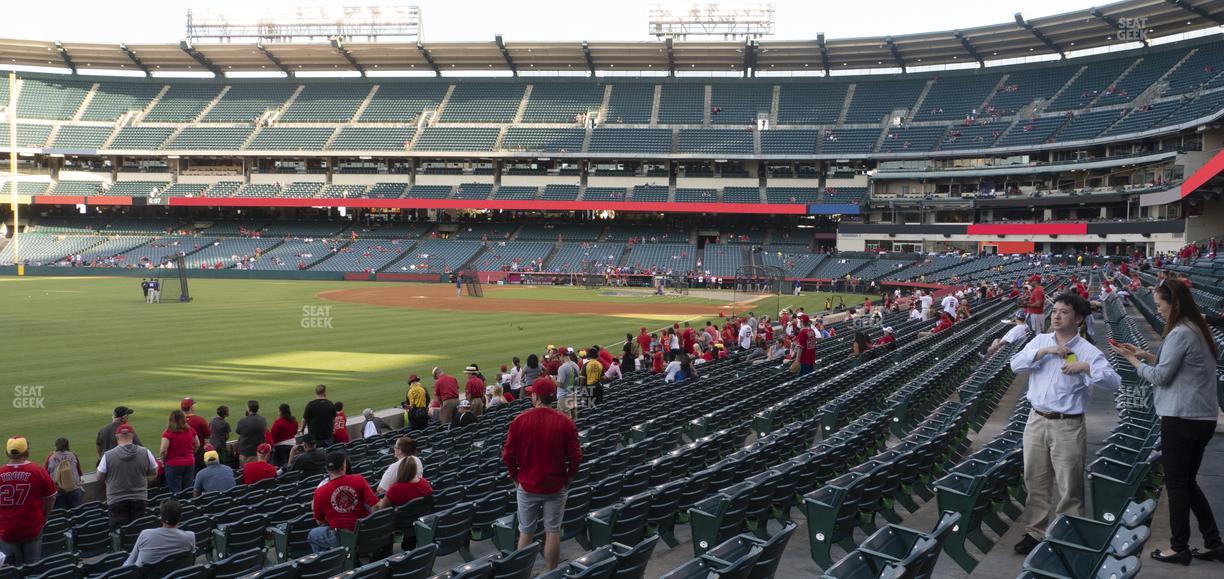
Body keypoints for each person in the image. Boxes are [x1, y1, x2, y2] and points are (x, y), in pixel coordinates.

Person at [1111, 280, 1223, 563]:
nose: (1158, 310)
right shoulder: (1197, 328)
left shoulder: (1180, 332)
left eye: (1160, 305)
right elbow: (1181, 367)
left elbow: (1160, 377)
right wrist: (1147, 356)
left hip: (1181, 417)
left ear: (1174, 304)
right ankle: (1214, 542)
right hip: (1201, 417)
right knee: (1187, 482)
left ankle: (1179, 547)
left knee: (1176, 484)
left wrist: (1133, 361)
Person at [1010, 292, 1121, 555]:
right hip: (1036, 419)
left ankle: (1068, 534)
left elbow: (1114, 382)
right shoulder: (1040, 340)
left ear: (1078, 319)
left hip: (1067, 425)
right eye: (1055, 311)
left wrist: (1085, 368)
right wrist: (1044, 352)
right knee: (1035, 479)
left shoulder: (1088, 351)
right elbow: (1015, 365)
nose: (1057, 316)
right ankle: (1034, 532)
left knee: (1069, 484)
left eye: (1064, 312)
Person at [502, 377, 581, 571]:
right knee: (552, 531)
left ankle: (522, 573)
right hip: (555, 485)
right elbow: (576, 456)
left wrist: (515, 478)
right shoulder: (565, 421)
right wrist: (569, 477)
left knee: (526, 532)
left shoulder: (520, 420)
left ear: (536, 397)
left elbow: (508, 455)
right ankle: (550, 573)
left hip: (528, 485)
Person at [0, 437, 56, 566]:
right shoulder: (38, 471)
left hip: (7, 530)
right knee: (33, 567)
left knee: (12, 569)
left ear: (7, 453)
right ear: (27, 452)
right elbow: (51, 497)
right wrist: (45, 516)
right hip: (32, 528)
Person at [309, 451, 379, 553]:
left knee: (313, 535)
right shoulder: (359, 479)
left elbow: (319, 521)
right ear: (344, 466)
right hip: (363, 531)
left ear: (327, 469)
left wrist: (334, 520)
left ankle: (329, 561)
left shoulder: (319, 492)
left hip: (340, 536)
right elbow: (375, 505)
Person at [97, 424, 158, 530]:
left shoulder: (107, 456)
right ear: (132, 436)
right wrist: (143, 479)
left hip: (116, 500)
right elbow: (154, 472)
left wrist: (110, 481)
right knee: (137, 531)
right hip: (139, 498)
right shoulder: (145, 452)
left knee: (120, 533)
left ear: (117, 437)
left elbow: (99, 477)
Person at [122, 500, 195, 567]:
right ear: (180, 517)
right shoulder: (190, 536)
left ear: (161, 517)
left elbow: (129, 562)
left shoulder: (145, 534)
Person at [159, 410, 199, 495]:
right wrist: (191, 454)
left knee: (175, 491)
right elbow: (197, 444)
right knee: (188, 490)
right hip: (189, 463)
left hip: (173, 464)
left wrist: (162, 460)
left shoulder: (168, 433)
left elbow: (163, 451)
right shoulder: (190, 430)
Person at [45, 438, 84, 510]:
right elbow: (79, 474)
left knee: (61, 514)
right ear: (67, 446)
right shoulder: (73, 455)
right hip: (74, 490)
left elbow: (45, 476)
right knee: (78, 514)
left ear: (56, 446)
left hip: (58, 491)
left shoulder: (51, 457)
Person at [180, 397, 210, 468]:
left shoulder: (177, 422)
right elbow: (208, 435)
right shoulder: (199, 420)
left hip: (181, 453)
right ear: (191, 407)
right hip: (198, 452)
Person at [235, 400, 267, 465]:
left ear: (248, 409)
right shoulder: (262, 420)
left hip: (245, 453)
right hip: (258, 452)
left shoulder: (242, 421)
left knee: (245, 470)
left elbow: (238, 431)